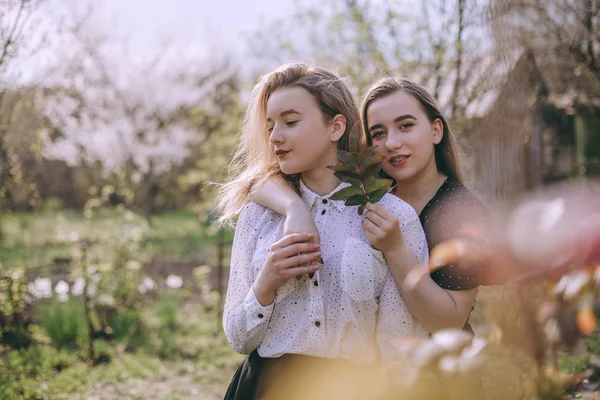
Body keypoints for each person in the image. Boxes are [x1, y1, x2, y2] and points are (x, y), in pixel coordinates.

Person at [218, 64, 430, 399]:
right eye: (270, 126)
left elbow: (398, 342)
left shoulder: (391, 217)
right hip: (264, 388)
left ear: (336, 126)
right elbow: (238, 337)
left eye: (290, 122)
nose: (275, 137)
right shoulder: (259, 214)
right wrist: (267, 282)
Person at [250, 77, 489, 334]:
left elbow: (449, 322)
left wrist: (395, 249)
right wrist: (293, 207)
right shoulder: (366, 189)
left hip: (436, 364)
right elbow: (258, 183)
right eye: (378, 133)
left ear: (435, 130)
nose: (392, 143)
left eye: (406, 126)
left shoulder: (462, 211)